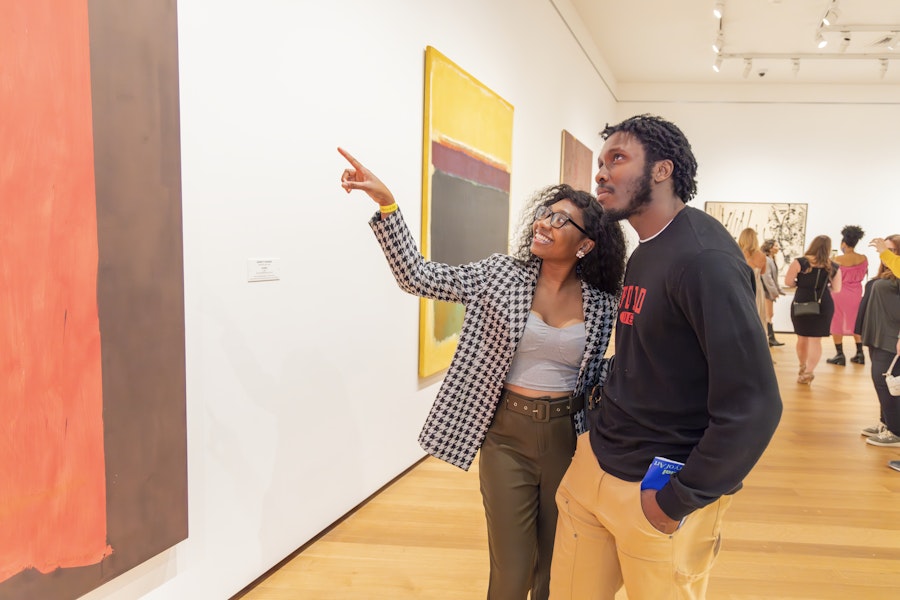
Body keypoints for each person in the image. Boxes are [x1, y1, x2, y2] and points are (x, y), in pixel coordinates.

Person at [337, 147, 626, 600]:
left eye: (560, 220)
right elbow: (417, 276)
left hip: (569, 439)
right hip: (505, 436)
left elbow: (607, 371)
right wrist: (387, 205)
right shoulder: (500, 275)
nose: (544, 223)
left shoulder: (604, 303)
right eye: (544, 213)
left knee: (556, 566)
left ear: (586, 244)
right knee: (511, 568)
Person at [549, 115, 782, 599]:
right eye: (600, 162)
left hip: (657, 491)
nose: (601, 173)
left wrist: (677, 500)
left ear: (662, 170)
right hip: (598, 465)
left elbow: (755, 405)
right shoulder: (647, 249)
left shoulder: (705, 260)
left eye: (617, 158)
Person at [856, 234, 900, 451]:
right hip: (878, 336)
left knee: (884, 381)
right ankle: (886, 423)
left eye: (892, 250)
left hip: (892, 337)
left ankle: (896, 430)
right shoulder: (885, 275)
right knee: (884, 381)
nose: (885, 253)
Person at [784, 236, 842, 384]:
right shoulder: (833, 266)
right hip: (823, 304)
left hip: (801, 302)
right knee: (816, 341)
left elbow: (788, 282)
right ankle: (809, 372)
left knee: (802, 338)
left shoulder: (800, 262)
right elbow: (837, 288)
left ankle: (802, 366)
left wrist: (800, 284)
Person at [826, 225, 868, 365]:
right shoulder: (863, 258)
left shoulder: (837, 259)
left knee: (837, 321)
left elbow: (830, 278)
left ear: (843, 243)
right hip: (856, 294)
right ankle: (860, 354)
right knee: (856, 322)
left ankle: (840, 355)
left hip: (838, 294)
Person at [738, 228, 769, 338]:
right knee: (758, 315)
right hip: (756, 288)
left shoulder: (737, 254)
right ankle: (758, 341)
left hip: (740, 287)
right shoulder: (762, 256)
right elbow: (763, 272)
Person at [760, 239, 786, 346]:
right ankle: (769, 338)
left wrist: (779, 290)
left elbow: (773, 278)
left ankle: (770, 338)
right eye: (775, 246)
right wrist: (774, 292)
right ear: (770, 248)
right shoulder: (766, 260)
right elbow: (767, 278)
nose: (778, 248)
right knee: (768, 314)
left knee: (769, 314)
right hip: (766, 292)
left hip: (768, 291)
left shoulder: (771, 259)